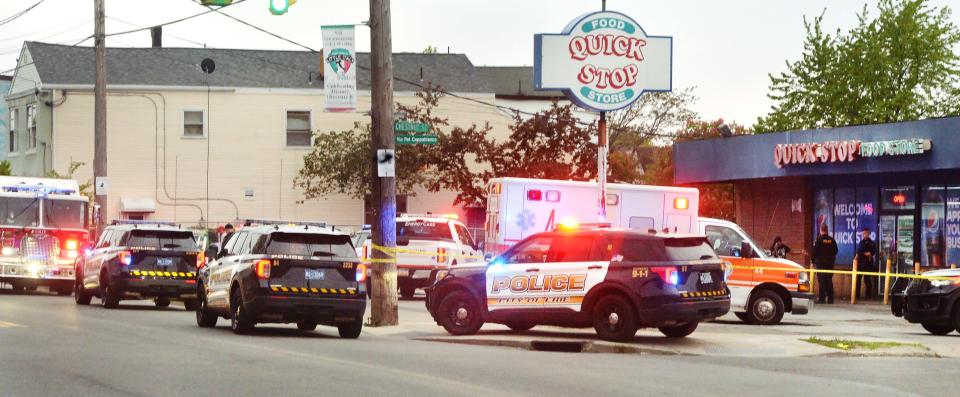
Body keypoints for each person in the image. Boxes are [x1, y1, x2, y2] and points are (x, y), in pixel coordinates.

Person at [812, 223, 838, 304]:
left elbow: (814, 252)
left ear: (820, 230)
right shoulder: (832, 240)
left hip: (821, 264)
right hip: (830, 264)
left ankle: (822, 299)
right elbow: (836, 251)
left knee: (822, 281)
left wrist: (812, 261)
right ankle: (831, 299)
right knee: (829, 281)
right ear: (827, 230)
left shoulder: (818, 240)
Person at [856, 227, 878, 299]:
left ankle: (868, 295)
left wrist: (866, 254)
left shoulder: (871, 243)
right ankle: (857, 295)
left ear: (869, 234)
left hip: (868, 264)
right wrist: (865, 254)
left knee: (867, 280)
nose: (864, 235)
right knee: (858, 280)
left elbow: (872, 252)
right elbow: (859, 252)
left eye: (866, 233)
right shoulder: (861, 243)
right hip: (860, 264)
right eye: (863, 233)